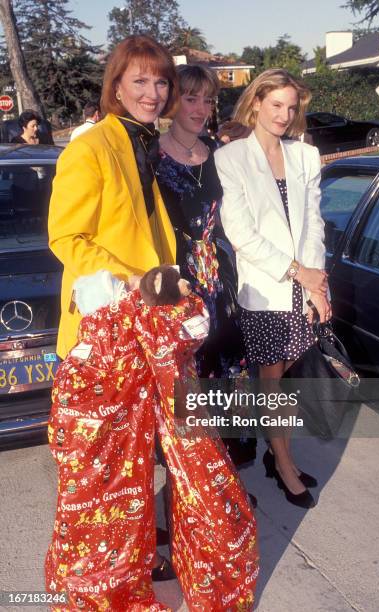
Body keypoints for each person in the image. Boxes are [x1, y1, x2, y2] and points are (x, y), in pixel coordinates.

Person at [48, 34, 179, 580]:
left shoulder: (144, 142)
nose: (152, 92)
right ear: (117, 86)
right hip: (103, 331)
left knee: (135, 453)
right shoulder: (91, 146)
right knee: (105, 461)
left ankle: (134, 552)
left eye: (160, 80)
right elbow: (66, 236)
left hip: (144, 327)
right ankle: (105, 567)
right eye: (140, 81)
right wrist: (137, 281)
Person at [215, 68, 331, 509]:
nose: (284, 115)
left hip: (303, 287)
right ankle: (283, 464)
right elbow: (241, 233)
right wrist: (297, 272)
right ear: (257, 102)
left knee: (285, 379)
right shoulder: (231, 158)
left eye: (291, 107)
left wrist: (316, 283)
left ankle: (276, 454)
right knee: (272, 382)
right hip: (266, 289)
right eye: (276, 105)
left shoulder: (305, 155)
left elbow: (315, 223)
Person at [155, 64, 257, 468]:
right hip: (179, 282)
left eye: (208, 99)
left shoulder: (218, 152)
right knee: (187, 379)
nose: (200, 108)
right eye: (191, 98)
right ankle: (192, 485)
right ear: (172, 102)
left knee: (229, 371)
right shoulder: (151, 156)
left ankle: (223, 475)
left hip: (220, 277)